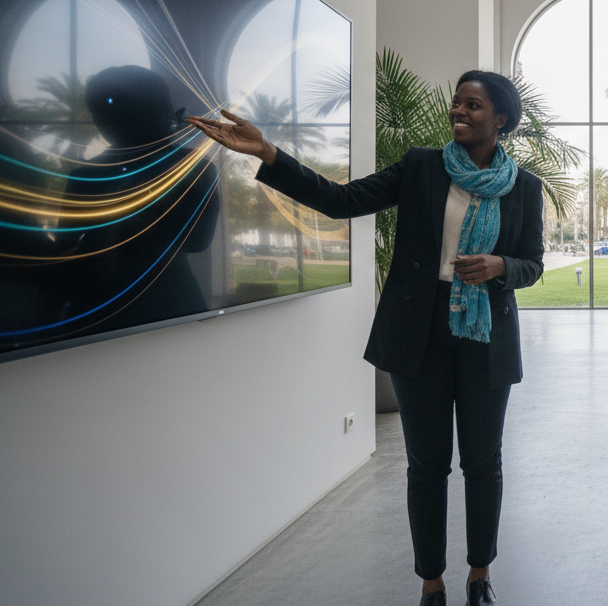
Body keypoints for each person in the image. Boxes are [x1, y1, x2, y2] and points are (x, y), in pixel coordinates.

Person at [187, 71, 544, 606]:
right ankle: (431, 583)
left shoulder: (525, 187)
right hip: (417, 333)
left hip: (485, 335)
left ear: (501, 120)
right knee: (427, 465)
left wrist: (500, 267)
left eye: (473, 105)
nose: (458, 111)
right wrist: (268, 153)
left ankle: (479, 575)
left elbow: (532, 264)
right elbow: (341, 199)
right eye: (456, 102)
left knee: (482, 463)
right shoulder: (422, 166)